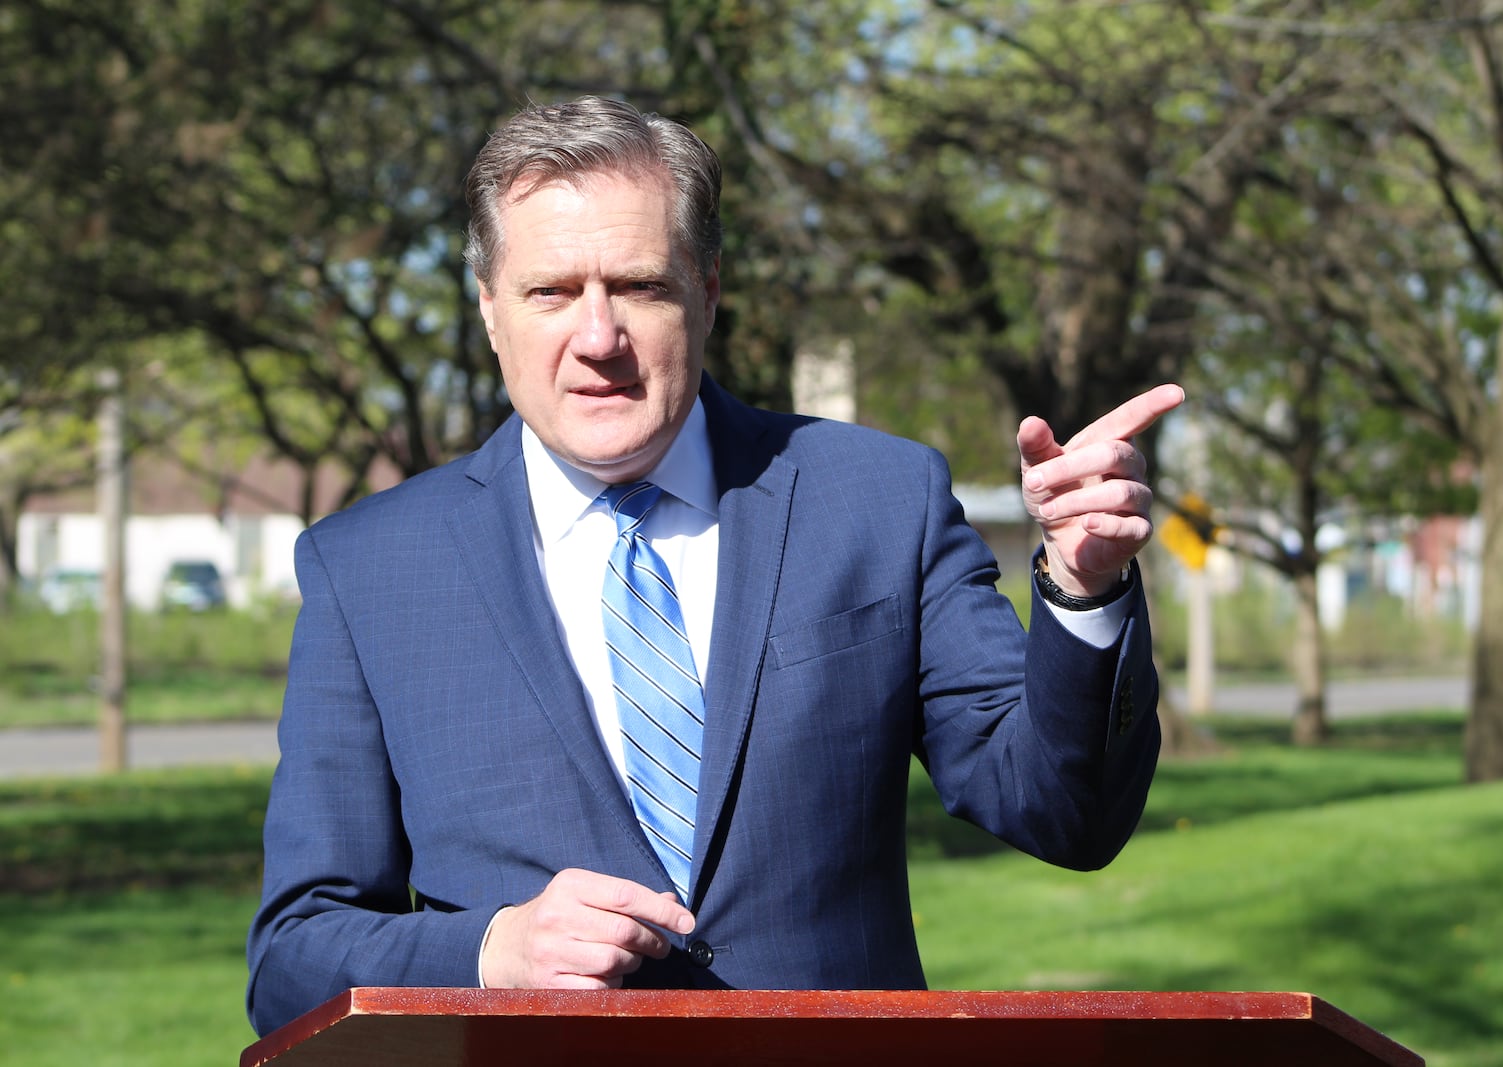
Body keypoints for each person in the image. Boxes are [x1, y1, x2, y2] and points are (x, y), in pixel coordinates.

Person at [245, 95, 1184, 1037]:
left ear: (708, 290)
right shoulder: (368, 570)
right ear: (490, 308)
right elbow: (292, 959)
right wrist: (493, 952)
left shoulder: (874, 498)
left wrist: (1082, 588)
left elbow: (1065, 812)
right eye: (551, 292)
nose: (599, 336)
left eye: (641, 287)